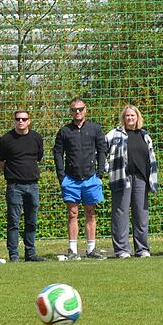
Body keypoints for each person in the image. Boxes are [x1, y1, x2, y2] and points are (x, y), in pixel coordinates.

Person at [53, 97, 107, 260]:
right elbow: (57, 153)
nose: (78, 112)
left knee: (90, 213)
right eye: (74, 110)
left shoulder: (95, 129)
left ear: (85, 109)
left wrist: (99, 175)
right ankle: (73, 250)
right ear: (70, 111)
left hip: (91, 179)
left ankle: (91, 249)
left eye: (80, 109)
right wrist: (61, 176)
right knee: (72, 213)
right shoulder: (64, 131)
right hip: (70, 179)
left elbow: (102, 151)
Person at [106, 104, 158, 259]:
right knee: (120, 213)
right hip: (122, 178)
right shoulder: (114, 134)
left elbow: (151, 156)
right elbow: (101, 151)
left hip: (141, 178)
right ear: (123, 118)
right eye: (127, 115)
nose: (130, 118)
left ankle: (142, 249)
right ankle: (122, 250)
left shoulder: (144, 135)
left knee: (141, 214)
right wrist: (108, 168)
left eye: (132, 116)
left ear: (137, 118)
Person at [0, 109, 45, 262]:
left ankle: (30, 253)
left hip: (33, 185)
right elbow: (0, 161)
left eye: (24, 119)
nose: (21, 122)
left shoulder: (37, 138)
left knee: (31, 221)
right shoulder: (5, 139)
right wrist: (12, 172)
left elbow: (39, 158)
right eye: (18, 119)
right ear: (14, 121)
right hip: (14, 186)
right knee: (13, 222)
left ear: (29, 120)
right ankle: (14, 254)